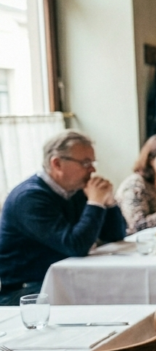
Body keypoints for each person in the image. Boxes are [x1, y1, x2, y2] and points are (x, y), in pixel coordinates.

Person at [0, 130, 126, 305]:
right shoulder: (29, 198)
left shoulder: (75, 190)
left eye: (92, 162)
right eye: (85, 163)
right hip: (27, 291)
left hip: (66, 278)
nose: (93, 169)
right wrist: (96, 202)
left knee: (124, 288)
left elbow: (115, 236)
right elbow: (76, 246)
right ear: (57, 163)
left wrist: (108, 202)